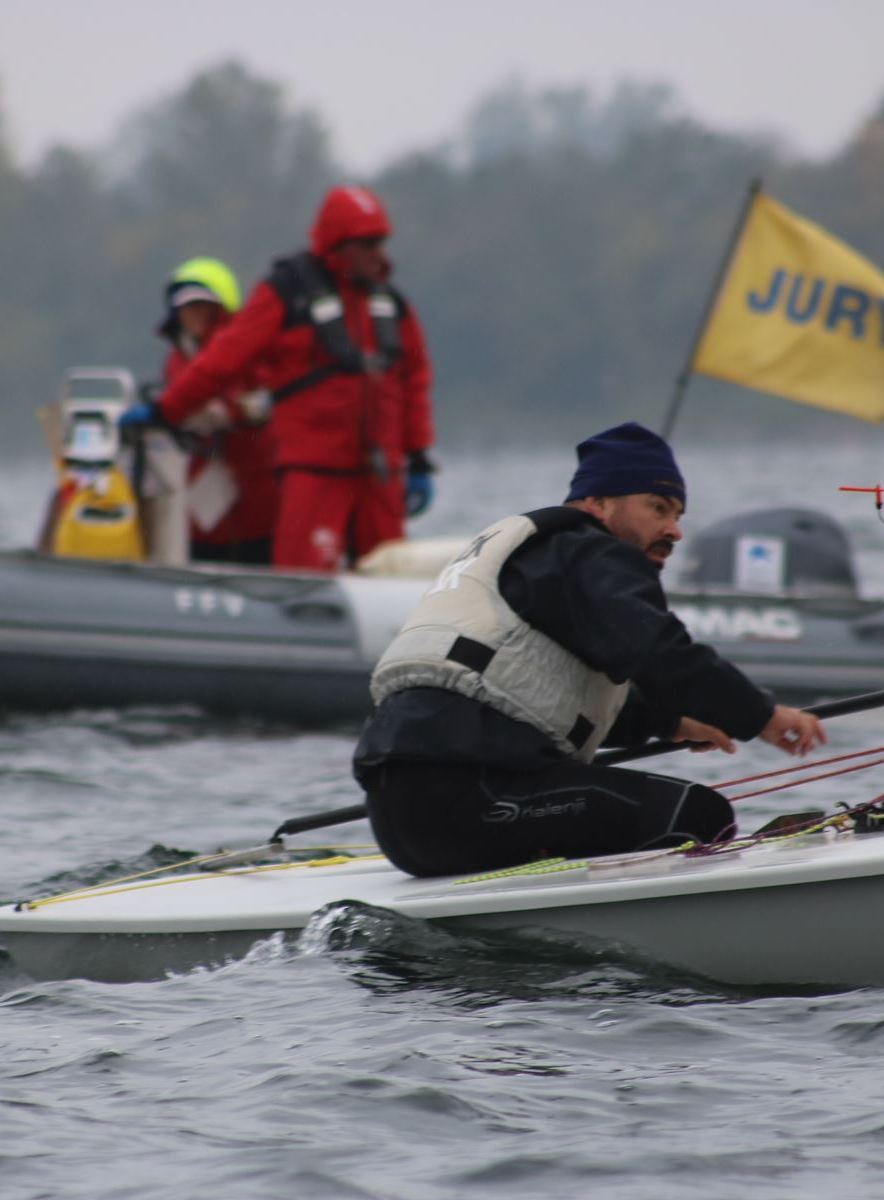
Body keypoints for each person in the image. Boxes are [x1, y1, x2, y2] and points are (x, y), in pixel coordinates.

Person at [353, 421, 828, 878]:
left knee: (644, 808)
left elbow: (538, 697)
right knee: (698, 815)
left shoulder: (543, 559)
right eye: (657, 508)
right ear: (598, 504)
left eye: (678, 516)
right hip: (471, 799)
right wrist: (761, 716)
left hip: (400, 820)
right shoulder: (589, 551)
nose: (675, 530)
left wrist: (671, 723)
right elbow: (660, 652)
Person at [143, 184, 436, 571]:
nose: (377, 254)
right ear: (338, 244)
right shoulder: (286, 292)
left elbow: (414, 380)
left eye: (380, 243)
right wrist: (165, 411)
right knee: (302, 573)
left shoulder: (390, 304)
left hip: (380, 473)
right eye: (366, 244)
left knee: (391, 573)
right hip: (314, 471)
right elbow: (224, 359)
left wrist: (419, 458)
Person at [153, 257, 277, 564]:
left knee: (257, 554)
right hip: (202, 486)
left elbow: (268, 399)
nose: (194, 314)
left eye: (202, 305)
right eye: (186, 307)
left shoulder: (251, 351)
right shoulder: (177, 356)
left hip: (255, 483)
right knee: (203, 552)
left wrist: (232, 410)